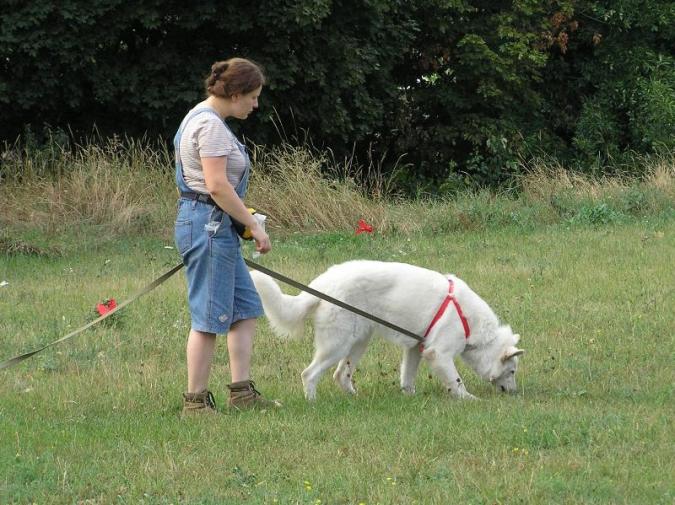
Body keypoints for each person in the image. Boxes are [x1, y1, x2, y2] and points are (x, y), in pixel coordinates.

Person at [173, 57, 279, 414]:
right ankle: (196, 403)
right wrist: (254, 224)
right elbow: (216, 185)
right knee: (208, 317)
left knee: (244, 308)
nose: (255, 104)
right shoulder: (211, 126)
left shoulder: (199, 118)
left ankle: (241, 393)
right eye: (252, 96)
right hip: (209, 224)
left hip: (212, 223)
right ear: (235, 93)